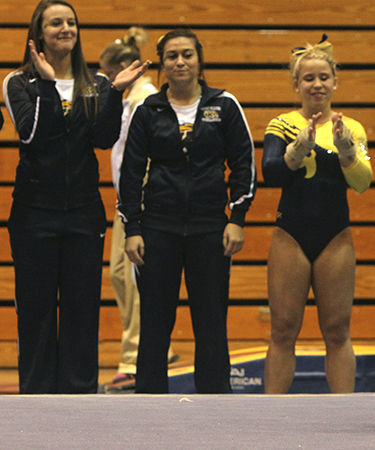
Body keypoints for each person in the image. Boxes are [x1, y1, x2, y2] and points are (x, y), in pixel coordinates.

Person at [2, 0, 148, 394]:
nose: (65, 28)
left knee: (82, 309)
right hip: (34, 214)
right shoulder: (19, 82)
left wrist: (114, 94)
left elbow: (102, 140)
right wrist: (49, 85)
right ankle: (36, 395)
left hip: (83, 214)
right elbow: (32, 136)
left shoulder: (96, 83)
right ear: (38, 35)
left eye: (70, 22)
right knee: (37, 310)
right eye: (55, 23)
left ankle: (80, 395)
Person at [118, 29, 256, 394]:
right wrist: (133, 227)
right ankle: (148, 400)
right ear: (162, 64)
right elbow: (130, 173)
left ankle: (216, 403)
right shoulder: (149, 110)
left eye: (187, 55)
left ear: (199, 59)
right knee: (154, 323)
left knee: (211, 321)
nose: (180, 62)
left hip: (210, 229)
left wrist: (237, 219)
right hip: (157, 230)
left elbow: (244, 165)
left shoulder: (224, 105)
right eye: (172, 56)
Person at [262, 35, 372, 394]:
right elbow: (271, 173)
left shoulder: (350, 128)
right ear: (296, 84)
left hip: (335, 236)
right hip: (290, 234)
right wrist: (296, 151)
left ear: (335, 81)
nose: (317, 85)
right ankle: (271, 412)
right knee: (282, 329)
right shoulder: (281, 124)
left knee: (338, 330)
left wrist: (346, 152)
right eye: (308, 78)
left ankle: (343, 412)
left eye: (323, 77)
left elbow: (363, 183)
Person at [99, 27, 176, 391]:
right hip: (123, 201)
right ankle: (155, 347)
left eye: (106, 72)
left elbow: (144, 154)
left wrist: (139, 205)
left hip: (141, 201)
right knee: (118, 274)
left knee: (134, 278)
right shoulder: (127, 99)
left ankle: (135, 356)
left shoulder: (145, 99)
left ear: (126, 67)